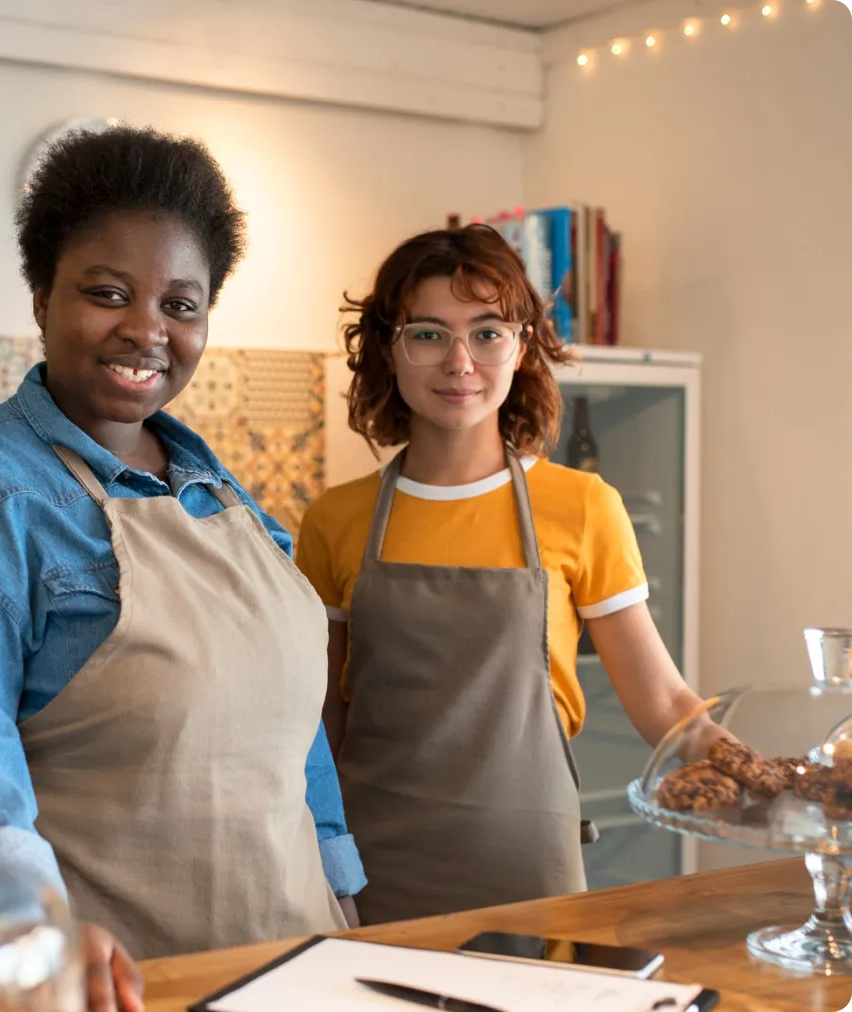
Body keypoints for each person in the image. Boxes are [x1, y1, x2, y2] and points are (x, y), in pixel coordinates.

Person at [0, 125, 365, 1004]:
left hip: (298, 966)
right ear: (40, 297)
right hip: (114, 986)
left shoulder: (224, 496)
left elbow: (292, 739)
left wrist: (344, 888)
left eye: (181, 305)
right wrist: (29, 927)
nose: (147, 329)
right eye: (108, 293)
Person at [295, 224, 707, 926]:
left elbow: (665, 704)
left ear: (521, 347)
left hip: (528, 869)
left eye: (487, 333)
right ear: (387, 350)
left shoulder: (583, 508)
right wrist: (318, 866)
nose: (460, 361)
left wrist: (773, 779)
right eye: (428, 334)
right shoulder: (336, 519)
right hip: (371, 870)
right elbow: (319, 725)